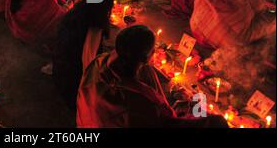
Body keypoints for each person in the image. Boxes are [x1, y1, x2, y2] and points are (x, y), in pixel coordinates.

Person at [76, 25, 228, 128]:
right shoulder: (141, 104)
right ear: (146, 58)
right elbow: (166, 123)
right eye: (152, 51)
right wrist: (195, 115)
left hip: (86, 122)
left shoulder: (98, 62)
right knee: (216, 122)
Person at [53, 0, 113, 110]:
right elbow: (88, 63)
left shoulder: (73, 14)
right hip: (73, 85)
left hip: (59, 72)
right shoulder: (94, 29)